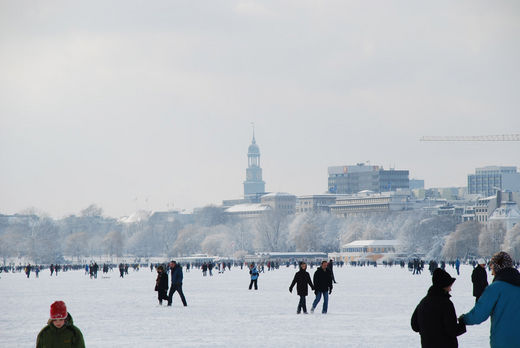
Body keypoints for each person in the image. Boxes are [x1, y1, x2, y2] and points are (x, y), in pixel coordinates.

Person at [459, 251, 520, 348]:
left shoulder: (495, 288)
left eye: (492, 268)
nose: (491, 273)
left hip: (503, 341)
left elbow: (479, 315)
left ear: (497, 268)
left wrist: (463, 319)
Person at [411, 268, 466, 348]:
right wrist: (462, 323)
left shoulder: (423, 302)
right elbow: (452, 330)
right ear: (443, 286)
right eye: (449, 286)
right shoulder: (446, 304)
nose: (450, 289)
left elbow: (415, 325)